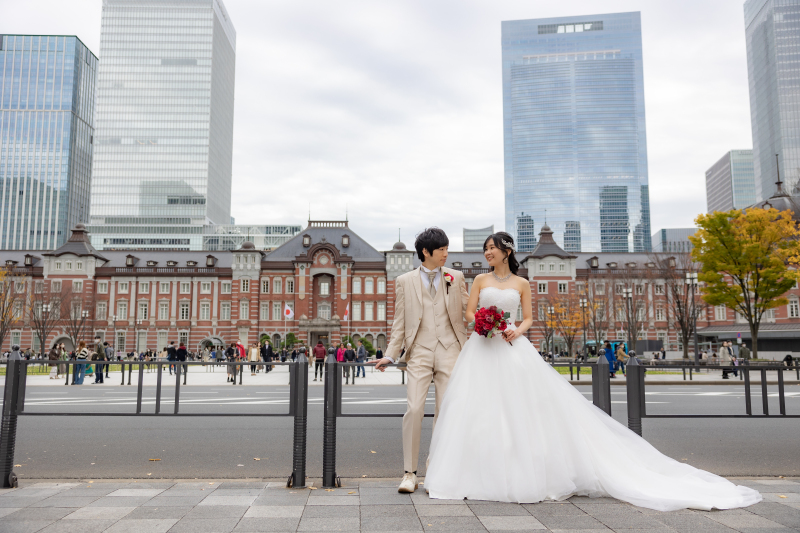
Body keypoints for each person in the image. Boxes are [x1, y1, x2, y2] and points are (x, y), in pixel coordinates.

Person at [421, 232, 761, 511]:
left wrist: (514, 330)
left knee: (520, 409)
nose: (487, 254)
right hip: (482, 347)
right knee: (478, 410)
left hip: (511, 347)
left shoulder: (523, 283)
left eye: (491, 249)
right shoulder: (479, 279)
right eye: (485, 250)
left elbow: (528, 319)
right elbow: (468, 313)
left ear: (506, 251)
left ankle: (521, 472)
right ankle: (475, 473)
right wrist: (485, 321)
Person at [371, 227, 469, 493]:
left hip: (451, 350)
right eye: (442, 250)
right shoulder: (404, 281)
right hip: (420, 351)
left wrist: (494, 323)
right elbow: (400, 322)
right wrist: (390, 355)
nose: (446, 254)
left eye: (447, 249)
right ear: (426, 252)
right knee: (414, 409)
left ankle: (436, 470)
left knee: (445, 412)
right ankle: (409, 473)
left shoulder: (456, 277)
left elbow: (468, 311)